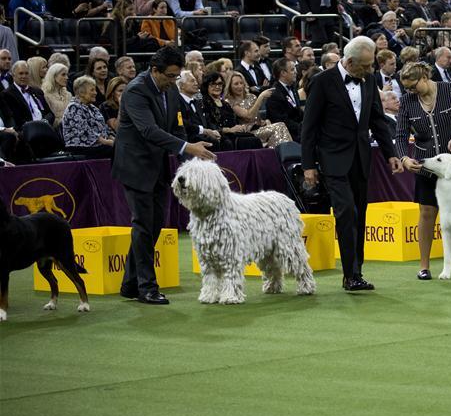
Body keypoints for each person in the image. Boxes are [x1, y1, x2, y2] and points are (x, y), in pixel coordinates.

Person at [113, 46, 217, 305]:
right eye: (170, 76)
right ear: (155, 70)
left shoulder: (170, 91)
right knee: (143, 224)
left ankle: (129, 283)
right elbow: (148, 130)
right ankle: (146, 287)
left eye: (176, 76)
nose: (174, 81)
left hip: (159, 166)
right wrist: (187, 147)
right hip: (135, 166)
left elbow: (177, 128)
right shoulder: (136, 90)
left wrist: (190, 160)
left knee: (155, 224)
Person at [301, 36, 403, 292]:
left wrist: (391, 153)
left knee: (360, 216)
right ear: (349, 61)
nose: (370, 71)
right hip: (332, 159)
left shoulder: (368, 81)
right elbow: (309, 127)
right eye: (366, 66)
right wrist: (308, 164)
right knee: (347, 213)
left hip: (361, 158)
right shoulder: (322, 82)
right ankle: (350, 274)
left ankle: (355, 273)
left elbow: (377, 120)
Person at [395, 61, 451, 280]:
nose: (410, 91)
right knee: (426, 213)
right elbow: (401, 134)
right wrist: (404, 157)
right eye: (407, 88)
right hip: (427, 167)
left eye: (414, 86)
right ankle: (424, 266)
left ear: (424, 77)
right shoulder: (406, 102)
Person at [224, 72, 292, 148]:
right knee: (279, 127)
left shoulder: (251, 97)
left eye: (241, 83)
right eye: (236, 84)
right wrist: (261, 97)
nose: (240, 86)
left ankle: (285, 154)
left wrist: (265, 122)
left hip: (258, 129)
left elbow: (257, 119)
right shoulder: (229, 102)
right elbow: (248, 116)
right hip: (247, 133)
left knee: (280, 127)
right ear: (230, 86)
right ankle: (286, 155)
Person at [62, 76, 115, 158]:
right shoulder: (74, 107)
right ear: (81, 93)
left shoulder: (93, 108)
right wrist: (107, 142)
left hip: (97, 144)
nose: (95, 93)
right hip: (80, 145)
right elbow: (85, 132)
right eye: (92, 90)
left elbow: (104, 127)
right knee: (114, 149)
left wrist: (112, 138)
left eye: (95, 90)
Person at [41, 62, 71, 128]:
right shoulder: (45, 95)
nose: (67, 78)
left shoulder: (68, 94)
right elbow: (48, 118)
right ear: (54, 76)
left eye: (67, 74)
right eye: (63, 75)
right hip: (54, 131)